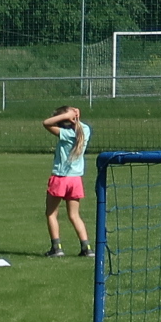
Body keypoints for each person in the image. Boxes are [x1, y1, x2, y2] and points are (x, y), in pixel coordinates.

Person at [43, 106, 94, 258]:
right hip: (76, 179)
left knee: (51, 214)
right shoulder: (85, 130)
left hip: (60, 177)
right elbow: (78, 124)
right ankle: (87, 248)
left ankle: (56, 248)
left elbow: (46, 123)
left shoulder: (65, 134)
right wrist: (74, 116)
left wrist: (66, 115)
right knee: (74, 215)